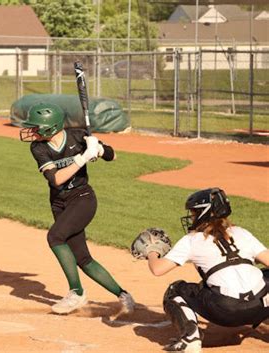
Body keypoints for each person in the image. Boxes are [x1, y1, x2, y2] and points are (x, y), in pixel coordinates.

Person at [19, 102, 135, 315]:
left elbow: (113, 155)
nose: (32, 131)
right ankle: (123, 295)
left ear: (50, 127)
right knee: (82, 258)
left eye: (36, 127)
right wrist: (83, 158)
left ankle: (76, 293)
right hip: (59, 202)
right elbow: (56, 179)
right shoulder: (39, 147)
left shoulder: (78, 137)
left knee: (55, 237)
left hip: (82, 198)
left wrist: (99, 149)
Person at [146, 187, 268, 353]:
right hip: (262, 306)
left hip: (225, 310)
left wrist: (152, 252)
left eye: (194, 212)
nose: (191, 217)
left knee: (175, 290)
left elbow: (157, 269)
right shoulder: (242, 233)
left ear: (204, 213)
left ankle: (191, 339)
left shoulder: (191, 240)